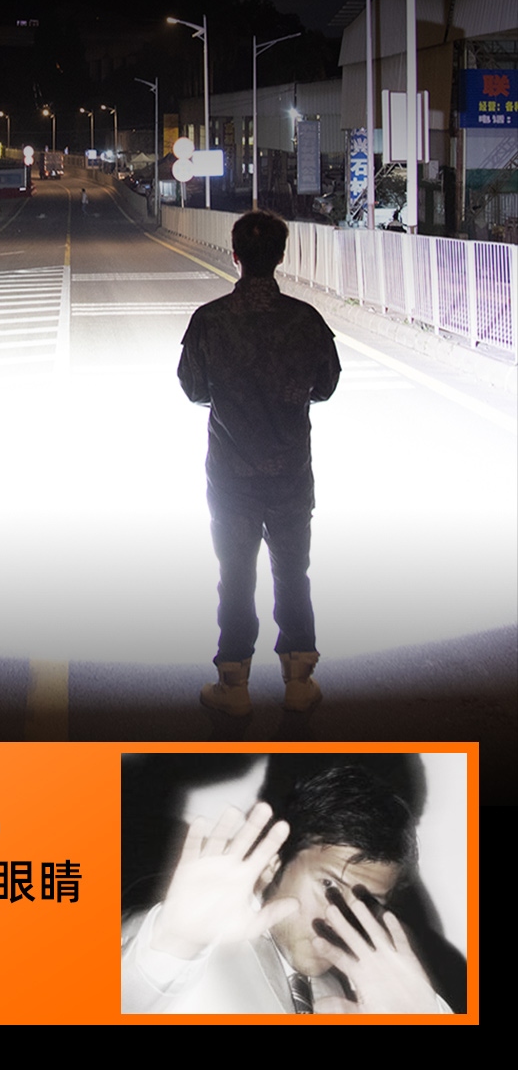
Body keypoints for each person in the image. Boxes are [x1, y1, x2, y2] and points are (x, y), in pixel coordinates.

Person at [121, 764, 455, 1015]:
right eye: (329, 885)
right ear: (276, 863)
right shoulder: (190, 944)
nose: (340, 920)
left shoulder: (358, 999)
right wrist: (173, 941)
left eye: (367, 902)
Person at [177, 209, 341, 719]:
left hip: (231, 476)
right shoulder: (306, 320)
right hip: (290, 473)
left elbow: (193, 389)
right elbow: (326, 386)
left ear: (236, 257)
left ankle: (234, 684)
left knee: (235, 574)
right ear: (280, 257)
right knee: (293, 571)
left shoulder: (209, 320)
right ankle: (299, 681)